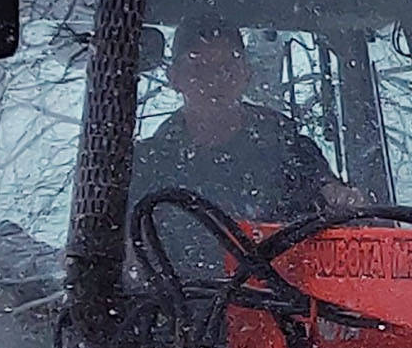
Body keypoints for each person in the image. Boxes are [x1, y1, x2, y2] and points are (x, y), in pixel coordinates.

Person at [133, 18, 351, 224]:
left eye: (227, 66)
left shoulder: (292, 151)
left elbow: (337, 207)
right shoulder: (148, 166)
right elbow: (128, 247)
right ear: (174, 77)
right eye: (199, 67)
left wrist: (342, 201)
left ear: (246, 73)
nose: (215, 79)